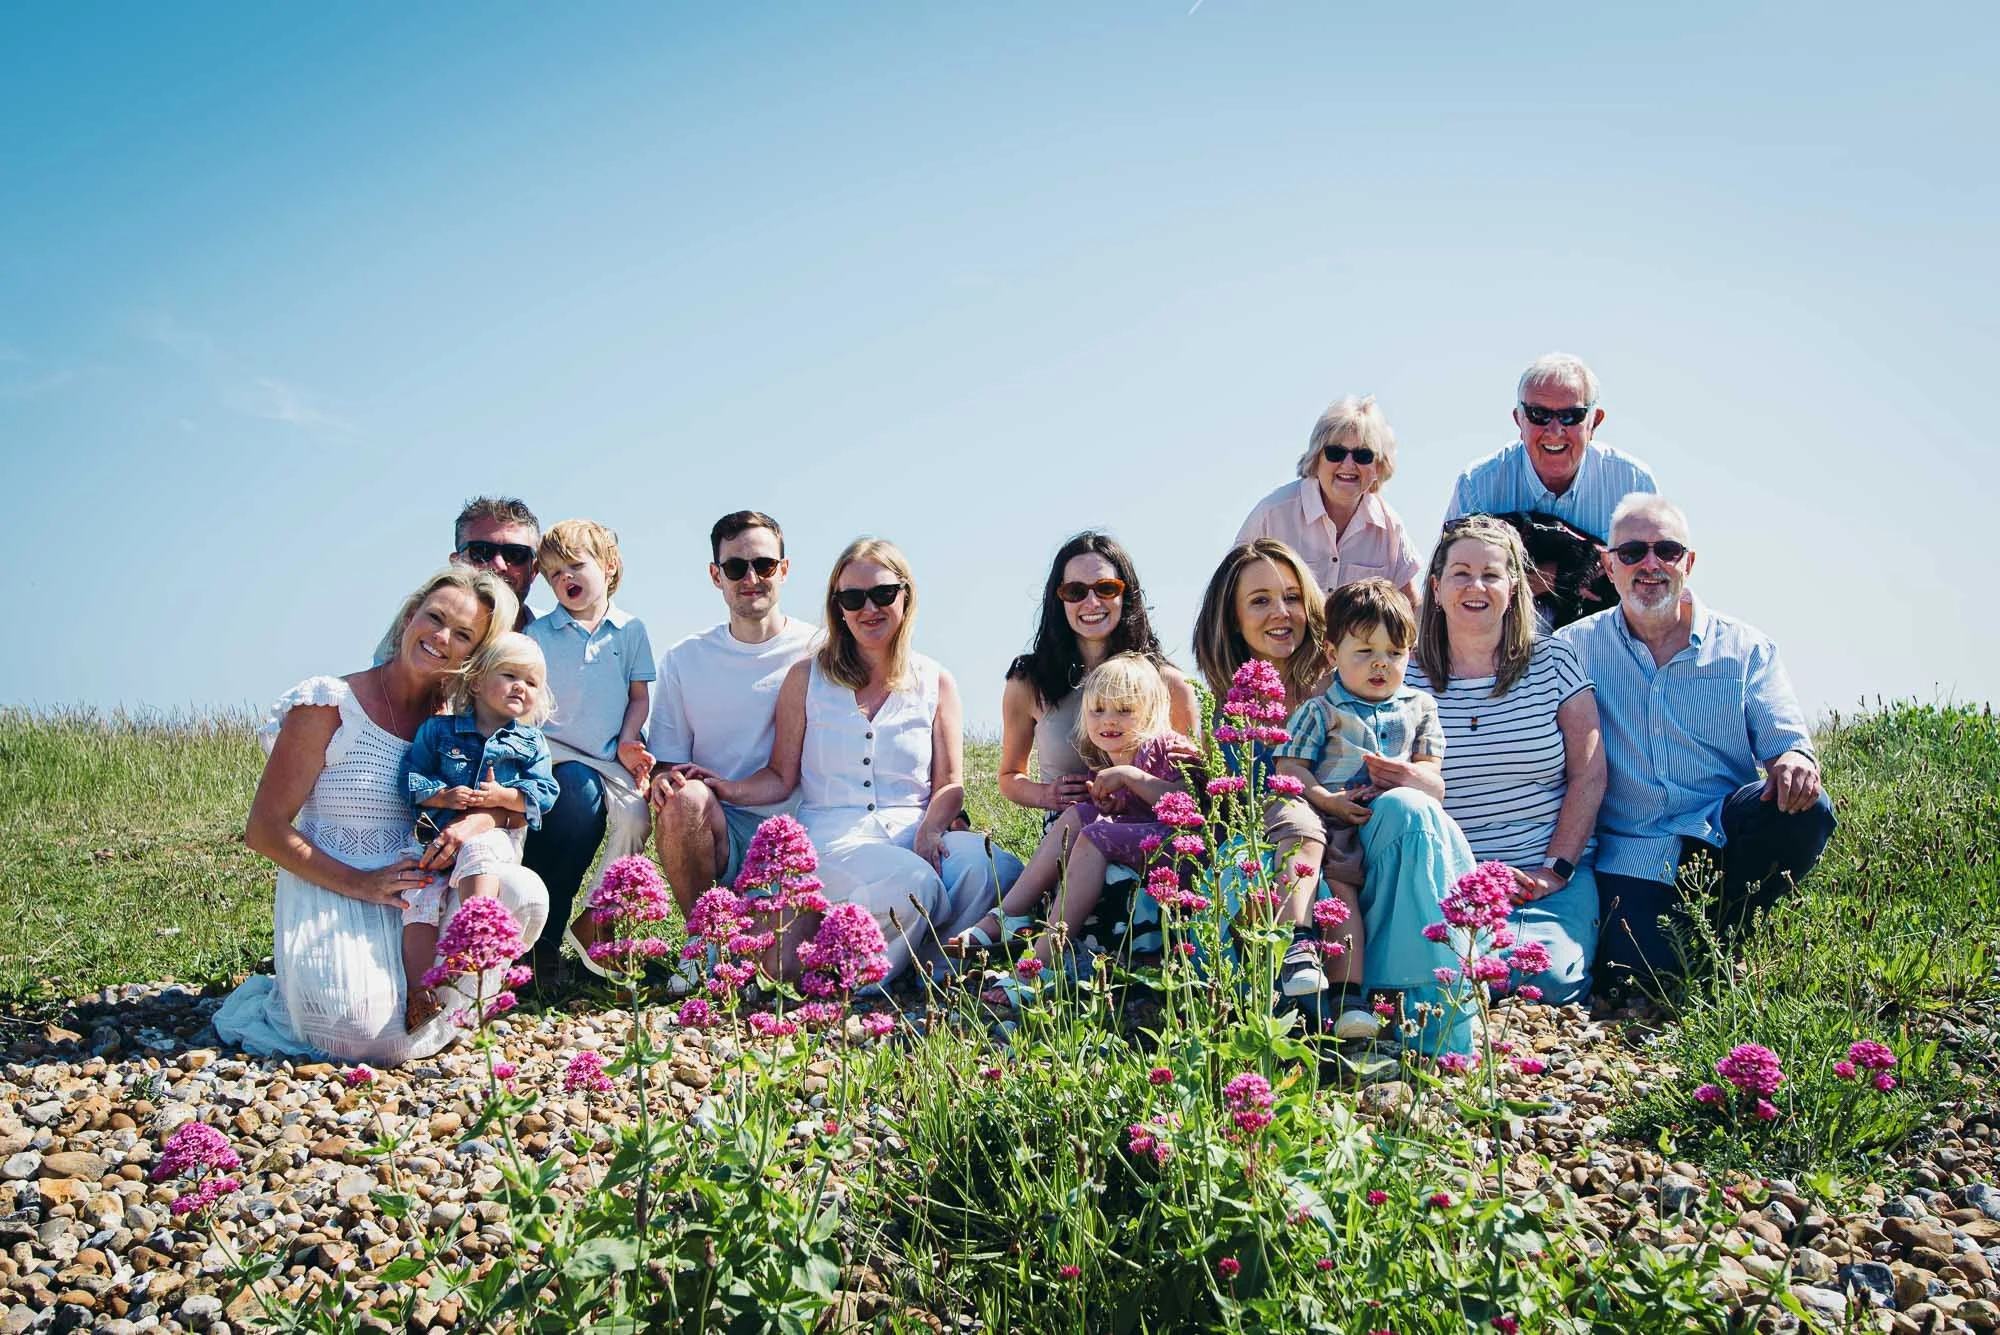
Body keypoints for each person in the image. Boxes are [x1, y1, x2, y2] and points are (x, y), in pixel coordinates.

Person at [215, 568, 549, 1065]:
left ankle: (429, 1009)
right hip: (334, 885)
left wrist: (480, 821)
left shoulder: (460, 726)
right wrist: (361, 883)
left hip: (421, 888)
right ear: (410, 614)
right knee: (357, 1034)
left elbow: (511, 802)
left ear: (475, 657)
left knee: (522, 895)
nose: (441, 638)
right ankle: (405, 1017)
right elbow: (263, 831)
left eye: (463, 636)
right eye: (434, 618)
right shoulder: (329, 703)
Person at [698, 539, 1020, 983]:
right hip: (833, 838)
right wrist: (725, 788)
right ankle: (858, 980)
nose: (869, 608)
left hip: (912, 830)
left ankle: (933, 963)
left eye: (883, 593)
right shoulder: (805, 677)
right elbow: (780, 776)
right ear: (839, 608)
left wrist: (930, 830)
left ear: (905, 596)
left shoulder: (936, 680)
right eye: (853, 598)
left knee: (995, 869)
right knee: (913, 884)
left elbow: (949, 783)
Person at [1556, 495, 1835, 996]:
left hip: (1723, 833)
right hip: (1632, 848)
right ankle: (1711, 941)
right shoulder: (1572, 649)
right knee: (1644, 974)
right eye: (1632, 552)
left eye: (1666, 549)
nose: (1650, 564)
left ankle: (1740, 920)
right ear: (1608, 565)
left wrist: (1793, 759)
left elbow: (1786, 741)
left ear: (1689, 562)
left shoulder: (1746, 648)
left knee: (1807, 809)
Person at [1414, 515, 1605, 1005]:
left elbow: (1589, 772)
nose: (1475, 586)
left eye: (1491, 574)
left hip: (1540, 880)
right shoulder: (1404, 672)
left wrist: (1554, 870)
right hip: (1444, 882)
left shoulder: (1554, 661)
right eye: (1460, 573)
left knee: (1545, 982)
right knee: (1439, 980)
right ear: (1436, 588)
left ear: (1514, 587)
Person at [1272, 580, 1447, 1039]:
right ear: (1332, 653)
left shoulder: (1419, 706)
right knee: (1339, 890)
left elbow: (1434, 777)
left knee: (1359, 889)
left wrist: (1408, 776)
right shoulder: (1322, 710)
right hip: (1330, 816)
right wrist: (1326, 799)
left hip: (1388, 821)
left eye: (1394, 653)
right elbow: (1290, 765)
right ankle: (1319, 967)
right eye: (1365, 650)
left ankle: (1365, 995)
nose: (1380, 664)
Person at [948, 654, 1197, 964]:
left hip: (1183, 853)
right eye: (1098, 710)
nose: (1108, 719)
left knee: (1095, 835)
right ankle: (1009, 914)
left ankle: (1041, 964)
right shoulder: (1107, 761)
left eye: (1124, 710)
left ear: (1149, 713)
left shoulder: (1163, 747)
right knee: (1080, 814)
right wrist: (1113, 804)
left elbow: (1190, 803)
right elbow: (1131, 814)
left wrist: (1133, 779)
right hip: (1146, 846)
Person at [400, 632, 560, 1028]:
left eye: (532, 682)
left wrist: (504, 796)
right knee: (417, 900)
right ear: (475, 681)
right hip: (434, 834)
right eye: (509, 675)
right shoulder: (438, 732)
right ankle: (419, 991)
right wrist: (441, 796)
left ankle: (473, 935)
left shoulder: (530, 742)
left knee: (478, 849)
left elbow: (546, 793)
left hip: (498, 839)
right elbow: (409, 780)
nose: (520, 687)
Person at [521, 519, 657, 975]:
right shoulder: (540, 634)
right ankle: (536, 935)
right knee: (571, 804)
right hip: (553, 748)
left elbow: (639, 697)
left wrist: (629, 741)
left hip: (606, 753)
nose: (566, 579)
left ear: (609, 565)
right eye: (554, 574)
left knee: (637, 818)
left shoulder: (630, 630)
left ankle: (598, 916)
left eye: (576, 566)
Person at [1000, 533, 1200, 822]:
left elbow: (1196, 784)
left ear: (1126, 594)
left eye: (1106, 588)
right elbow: (1009, 776)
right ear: (1059, 599)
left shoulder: (1168, 683)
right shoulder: (1029, 682)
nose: (1092, 602)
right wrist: (1045, 794)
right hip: (1067, 830)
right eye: (1075, 592)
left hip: (1151, 831)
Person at [1445, 353, 1659, 545]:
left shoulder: (1633, 484)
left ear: (1594, 422)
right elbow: (1449, 580)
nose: (1555, 431)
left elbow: (1657, 573)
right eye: (1538, 414)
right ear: (1519, 420)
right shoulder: (1477, 486)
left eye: (1571, 416)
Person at [1233, 395, 1423, 608]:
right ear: (1316, 458)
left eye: (1363, 455)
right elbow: (1227, 593)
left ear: (1378, 466)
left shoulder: (1390, 528)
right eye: (1336, 453)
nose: (1348, 464)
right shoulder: (1272, 513)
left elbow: (1411, 610)